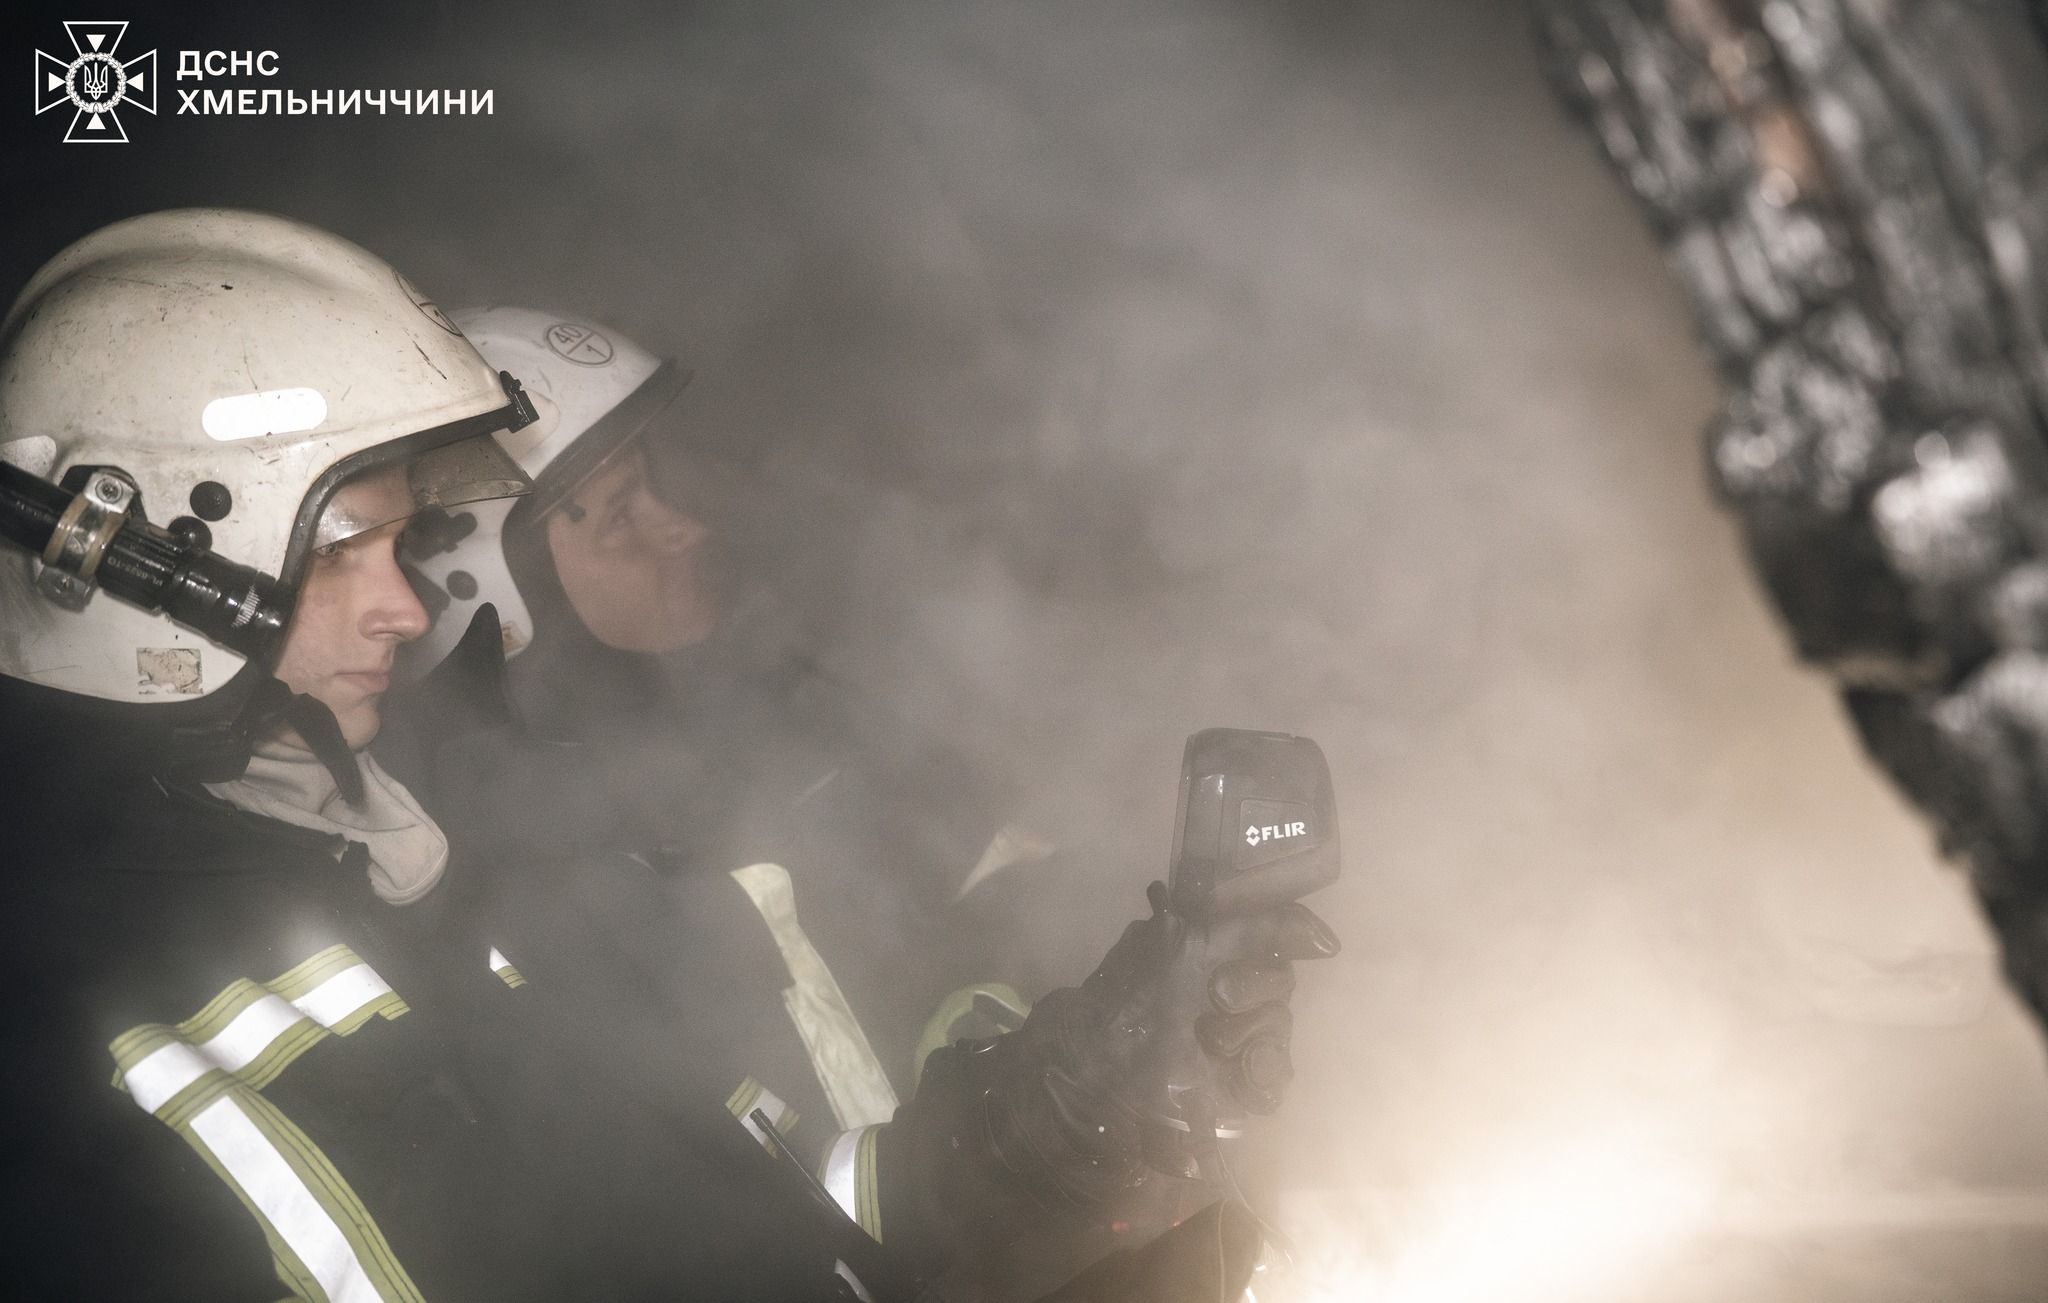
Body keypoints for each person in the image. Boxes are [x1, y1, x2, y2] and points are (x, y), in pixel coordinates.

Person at [0, 216, 1333, 1301]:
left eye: (400, 550)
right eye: (347, 553)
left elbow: (789, 1228)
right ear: (139, 570)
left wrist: (1110, 1075)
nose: (400, 607)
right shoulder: (96, 1061)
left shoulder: (435, 885)